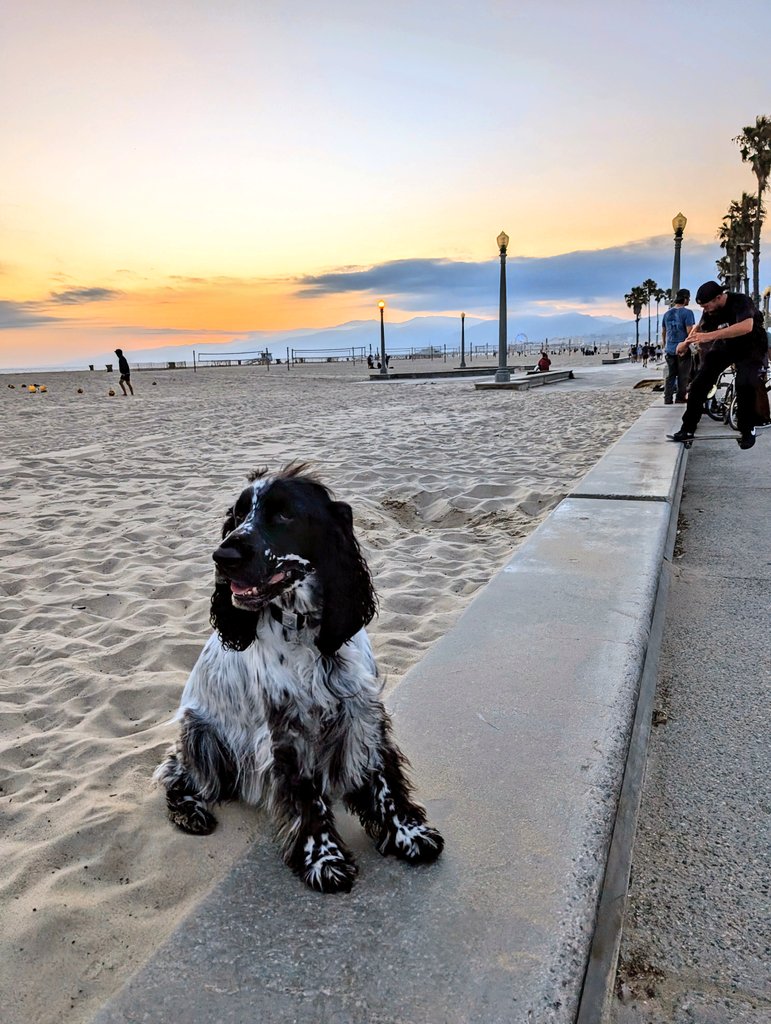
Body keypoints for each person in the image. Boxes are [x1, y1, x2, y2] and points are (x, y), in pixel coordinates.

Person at [669, 281, 769, 449]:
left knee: (745, 383)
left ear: (718, 297)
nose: (705, 310)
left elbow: (746, 326)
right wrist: (685, 343)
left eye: (707, 306)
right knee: (700, 383)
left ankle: (747, 429)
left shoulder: (741, 301)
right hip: (728, 345)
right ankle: (687, 428)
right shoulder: (710, 311)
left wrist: (711, 336)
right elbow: (699, 328)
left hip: (752, 346)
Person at [661, 289, 695, 404]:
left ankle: (667, 398)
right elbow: (690, 331)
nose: (689, 300)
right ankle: (680, 397)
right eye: (688, 298)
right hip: (683, 348)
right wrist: (689, 345)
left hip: (670, 349)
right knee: (683, 375)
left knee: (670, 375)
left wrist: (666, 344)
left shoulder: (666, 314)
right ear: (685, 299)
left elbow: (664, 332)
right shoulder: (688, 313)